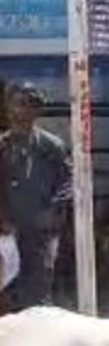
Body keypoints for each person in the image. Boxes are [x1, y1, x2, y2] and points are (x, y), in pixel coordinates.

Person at [0, 84, 70, 308]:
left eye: (26, 105)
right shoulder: (2, 146)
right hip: (9, 232)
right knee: (9, 289)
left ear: (36, 111)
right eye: (15, 105)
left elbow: (67, 185)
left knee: (38, 290)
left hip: (41, 232)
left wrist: (54, 213)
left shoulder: (52, 147)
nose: (18, 112)